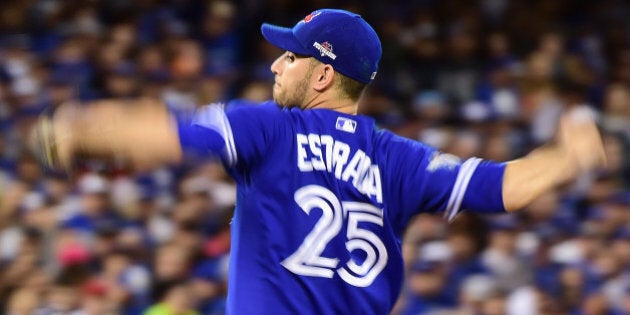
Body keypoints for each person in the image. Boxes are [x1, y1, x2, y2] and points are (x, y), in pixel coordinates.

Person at [31, 8, 606, 315]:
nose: (277, 66)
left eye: (291, 55)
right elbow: (507, 187)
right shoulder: (401, 160)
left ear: (324, 74)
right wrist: (568, 155)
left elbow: (165, 132)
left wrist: (83, 128)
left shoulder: (271, 127)